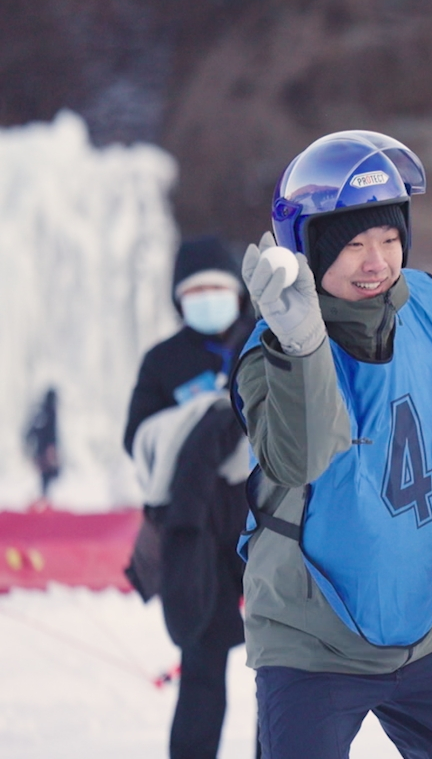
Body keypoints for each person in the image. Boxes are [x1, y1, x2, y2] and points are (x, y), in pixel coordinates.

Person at [231, 131, 432, 759]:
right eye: (353, 244)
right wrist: (300, 343)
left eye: (388, 238)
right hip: (312, 642)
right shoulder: (264, 354)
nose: (376, 260)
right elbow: (302, 457)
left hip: (431, 628)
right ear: (306, 249)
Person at [122, 236, 256, 759]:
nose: (207, 297)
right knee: (202, 659)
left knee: (279, 659)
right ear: (179, 298)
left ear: (238, 293)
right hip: (194, 528)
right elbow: (137, 438)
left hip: (261, 519)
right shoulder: (162, 361)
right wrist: (199, 422)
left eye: (217, 288)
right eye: (195, 289)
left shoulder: (262, 343)